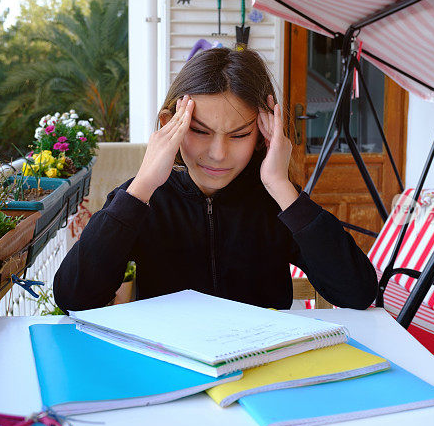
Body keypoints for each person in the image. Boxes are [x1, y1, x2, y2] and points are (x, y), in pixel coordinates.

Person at [54, 48, 377, 312]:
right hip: (172, 367)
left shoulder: (277, 202)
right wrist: (142, 186)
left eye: (239, 135)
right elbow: (75, 298)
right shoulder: (143, 199)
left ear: (265, 134)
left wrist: (280, 185)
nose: (218, 154)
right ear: (170, 124)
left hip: (262, 366)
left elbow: (357, 293)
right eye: (199, 131)